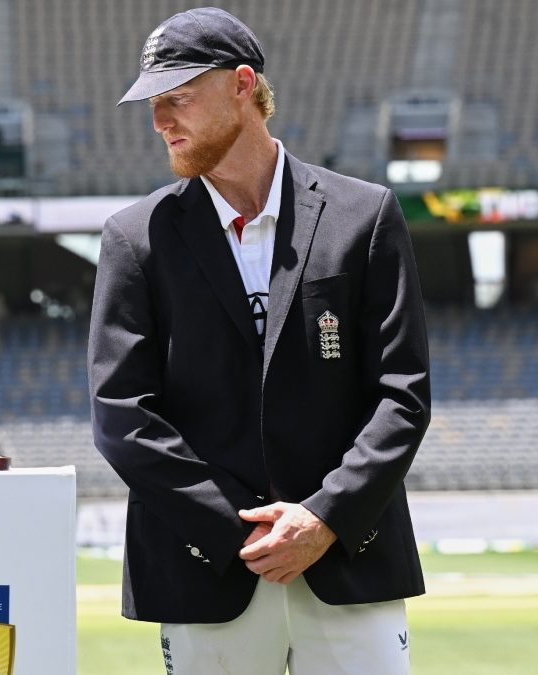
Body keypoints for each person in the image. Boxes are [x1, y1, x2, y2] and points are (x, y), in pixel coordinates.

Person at [88, 8, 430, 674]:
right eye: (153, 103)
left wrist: (324, 518)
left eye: (178, 97)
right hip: (207, 570)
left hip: (348, 562)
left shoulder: (365, 216)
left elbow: (404, 394)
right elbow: (121, 416)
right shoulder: (133, 238)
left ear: (243, 85)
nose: (160, 120)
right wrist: (239, 531)